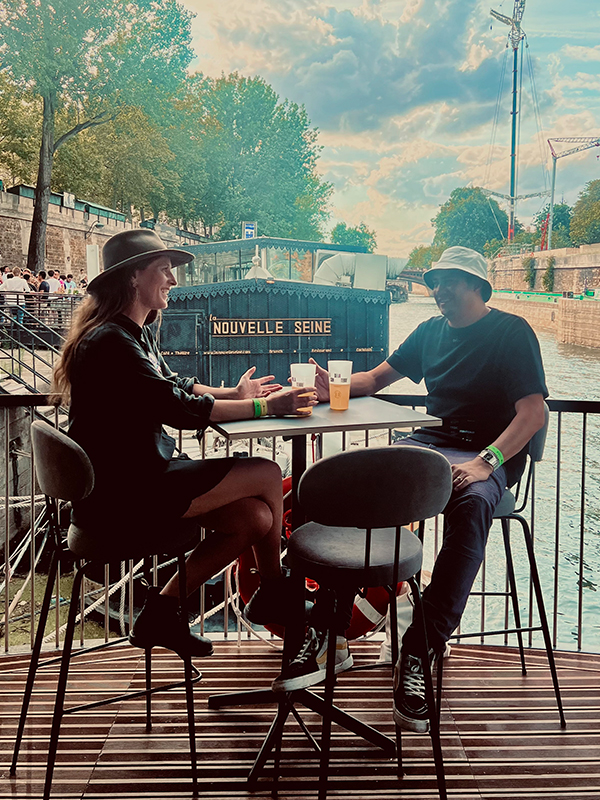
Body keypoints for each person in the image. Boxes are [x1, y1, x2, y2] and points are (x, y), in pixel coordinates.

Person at [272, 246, 547, 734]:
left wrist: (489, 462)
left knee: (471, 506)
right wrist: (327, 383)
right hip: (432, 441)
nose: (438, 290)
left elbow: (533, 412)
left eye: (450, 282)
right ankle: (330, 632)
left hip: (488, 454)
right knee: (358, 484)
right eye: (435, 282)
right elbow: (378, 378)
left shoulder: (512, 331)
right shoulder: (429, 333)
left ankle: (421, 645)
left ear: (478, 286)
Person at [51, 228, 317, 658]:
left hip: (129, 479)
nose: (173, 279)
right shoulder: (111, 343)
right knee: (266, 472)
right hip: (126, 492)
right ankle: (273, 590)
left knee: (254, 517)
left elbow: (174, 386)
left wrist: (234, 395)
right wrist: (269, 409)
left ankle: (161, 610)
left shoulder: (128, 333)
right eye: (164, 269)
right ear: (134, 278)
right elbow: (177, 407)